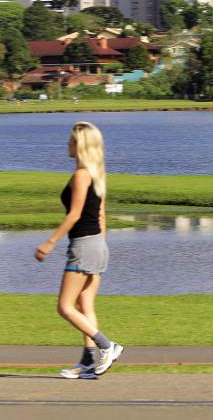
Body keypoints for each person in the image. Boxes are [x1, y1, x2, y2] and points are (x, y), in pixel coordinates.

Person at [35, 121, 124, 379]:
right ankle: (87, 363)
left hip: (85, 245)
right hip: (97, 244)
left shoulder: (81, 175)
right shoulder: (97, 174)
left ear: (80, 145)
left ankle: (107, 346)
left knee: (64, 307)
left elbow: (74, 215)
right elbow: (101, 214)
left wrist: (49, 242)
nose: (67, 143)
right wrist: (101, 246)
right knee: (85, 303)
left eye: (71, 140)